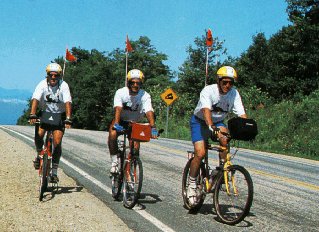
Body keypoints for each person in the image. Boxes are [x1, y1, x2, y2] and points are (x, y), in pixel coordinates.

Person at [187, 66, 247, 206]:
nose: (227, 85)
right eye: (225, 82)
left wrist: (246, 128)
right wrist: (211, 126)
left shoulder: (234, 93)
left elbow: (241, 114)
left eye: (230, 83)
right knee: (200, 153)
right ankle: (191, 184)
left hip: (218, 122)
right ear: (218, 80)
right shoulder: (208, 90)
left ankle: (220, 171)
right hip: (200, 122)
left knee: (225, 140)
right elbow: (206, 110)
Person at [108, 69, 158, 174]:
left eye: (138, 83)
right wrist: (116, 124)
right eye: (133, 82)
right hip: (121, 120)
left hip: (135, 122)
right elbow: (118, 108)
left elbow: (149, 111)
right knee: (112, 134)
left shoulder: (145, 95)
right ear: (128, 83)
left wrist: (153, 127)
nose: (135, 85)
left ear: (141, 83)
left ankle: (133, 167)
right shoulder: (121, 92)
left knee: (135, 147)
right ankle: (114, 161)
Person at [29, 63, 72, 183]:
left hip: (60, 114)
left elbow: (68, 102)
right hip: (45, 113)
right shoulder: (42, 84)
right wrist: (32, 114)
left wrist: (68, 118)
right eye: (51, 75)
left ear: (59, 76)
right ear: (47, 75)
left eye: (56, 76)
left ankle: (54, 171)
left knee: (57, 142)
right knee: (39, 134)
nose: (53, 78)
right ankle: (39, 155)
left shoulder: (64, 85)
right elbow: (35, 99)